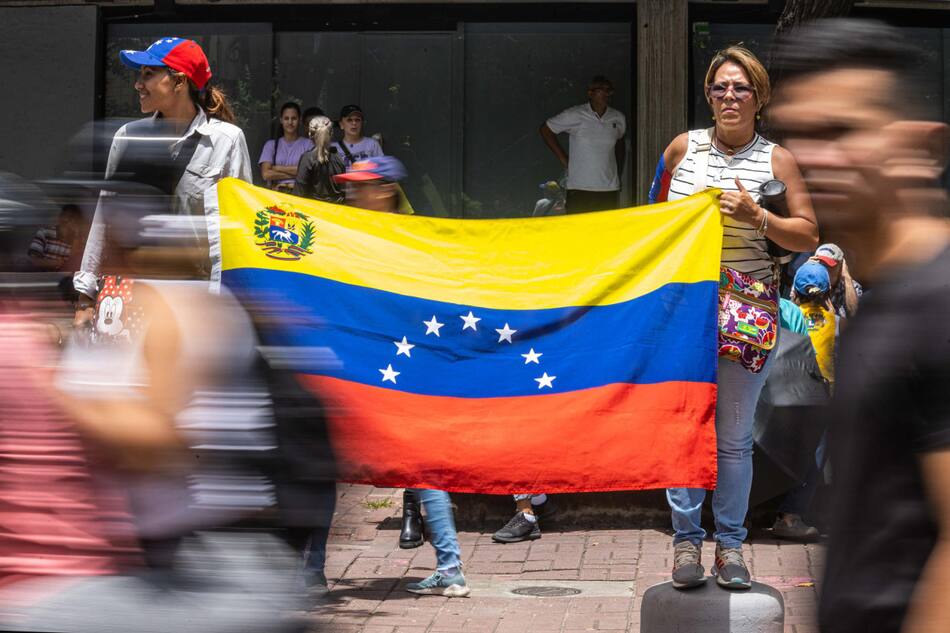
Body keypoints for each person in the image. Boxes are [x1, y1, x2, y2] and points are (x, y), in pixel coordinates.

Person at [769, 18, 950, 633]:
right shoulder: (884, 302)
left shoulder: (939, 306)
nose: (817, 156)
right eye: (801, 135)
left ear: (923, 148)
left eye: (841, 131)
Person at [651, 46, 818, 590]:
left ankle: (729, 545)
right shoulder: (680, 151)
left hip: (749, 309)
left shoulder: (778, 161)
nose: (729, 96)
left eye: (740, 88)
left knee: (733, 437)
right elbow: (651, 220)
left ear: (758, 97)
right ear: (708, 94)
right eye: (720, 87)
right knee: (684, 429)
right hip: (683, 308)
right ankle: (684, 544)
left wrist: (757, 215)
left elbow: (807, 235)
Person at [333, 156, 470, 597]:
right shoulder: (353, 235)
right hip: (368, 364)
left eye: (362, 187)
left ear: (386, 190)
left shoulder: (408, 237)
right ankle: (308, 569)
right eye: (350, 187)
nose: (353, 195)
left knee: (421, 465)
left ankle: (450, 567)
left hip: (401, 368)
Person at [72, 37, 252, 328]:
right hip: (133, 295)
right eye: (139, 75)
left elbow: (239, 229)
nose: (137, 84)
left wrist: (232, 304)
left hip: (199, 299)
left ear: (179, 82)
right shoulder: (127, 137)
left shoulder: (227, 141)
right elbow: (103, 217)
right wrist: (85, 295)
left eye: (148, 74)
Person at [541, 75, 626, 213]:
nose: (606, 94)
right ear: (590, 93)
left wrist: (618, 174)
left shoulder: (618, 118)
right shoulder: (575, 114)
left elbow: (620, 145)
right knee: (579, 232)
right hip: (579, 188)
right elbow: (546, 130)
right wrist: (564, 159)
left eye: (609, 90)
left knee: (605, 232)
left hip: (608, 188)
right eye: (601, 90)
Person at [259, 102, 313, 192]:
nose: (290, 122)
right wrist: (297, 174)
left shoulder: (308, 144)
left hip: (300, 194)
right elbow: (266, 174)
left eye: (294, 118)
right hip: (276, 194)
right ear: (281, 120)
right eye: (286, 118)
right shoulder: (271, 145)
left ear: (299, 120)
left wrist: (277, 168)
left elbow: (310, 173)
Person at [293, 115, 345, 203]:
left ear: (310, 134)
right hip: (337, 213)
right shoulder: (339, 158)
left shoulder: (308, 158)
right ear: (331, 133)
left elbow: (299, 194)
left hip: (314, 214)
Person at [27, 204, 86, 272]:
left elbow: (75, 261)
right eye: (66, 218)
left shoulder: (78, 239)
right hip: (41, 277)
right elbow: (33, 260)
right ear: (60, 218)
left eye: (73, 219)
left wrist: (77, 235)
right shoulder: (45, 233)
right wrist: (55, 263)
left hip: (66, 278)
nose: (69, 222)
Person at [811, 243, 862, 318]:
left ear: (841, 266)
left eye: (828, 266)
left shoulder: (853, 286)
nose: (824, 270)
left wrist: (846, 277)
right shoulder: (807, 281)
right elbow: (793, 312)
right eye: (820, 265)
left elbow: (855, 314)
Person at [333, 105, 383, 171]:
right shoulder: (333, 148)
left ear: (362, 123)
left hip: (366, 181)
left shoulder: (372, 144)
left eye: (357, 120)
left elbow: (382, 170)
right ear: (341, 124)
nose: (354, 123)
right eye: (349, 120)